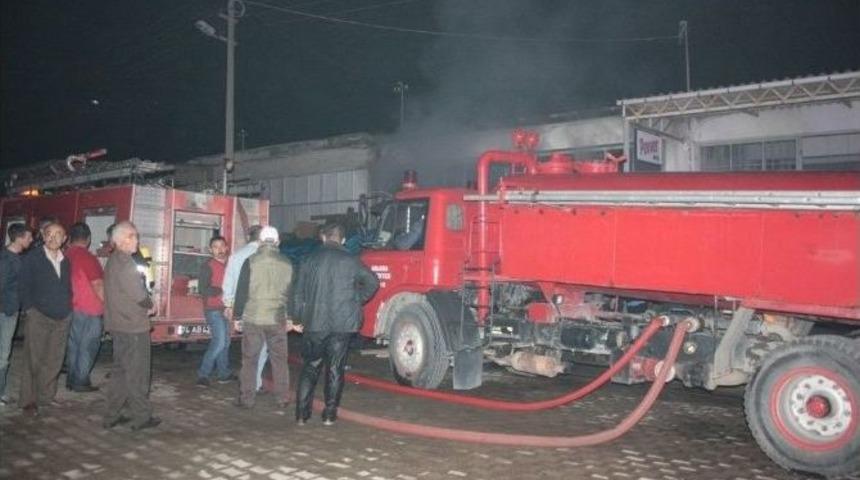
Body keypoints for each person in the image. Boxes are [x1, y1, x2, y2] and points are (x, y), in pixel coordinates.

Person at [293, 221, 379, 426]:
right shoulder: (351, 260)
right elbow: (373, 282)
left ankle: (302, 415)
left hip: (314, 322)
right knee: (335, 368)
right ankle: (329, 414)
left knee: (310, 367)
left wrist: (297, 319)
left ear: (323, 237)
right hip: (343, 323)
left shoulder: (308, 260)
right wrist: (357, 299)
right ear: (343, 240)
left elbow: (298, 293)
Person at [103, 221, 160, 431]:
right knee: (138, 373)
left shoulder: (113, 260)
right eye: (130, 236)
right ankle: (142, 417)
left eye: (136, 235)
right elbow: (138, 293)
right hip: (133, 326)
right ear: (118, 241)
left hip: (119, 324)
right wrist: (150, 304)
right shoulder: (126, 263)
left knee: (120, 372)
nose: (135, 240)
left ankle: (112, 414)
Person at [232, 226, 295, 409]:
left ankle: (247, 399)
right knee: (280, 360)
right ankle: (282, 397)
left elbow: (241, 291)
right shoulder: (287, 262)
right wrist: (290, 317)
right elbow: (292, 294)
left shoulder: (250, 261)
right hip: (277, 318)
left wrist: (237, 316)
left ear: (259, 242)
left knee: (250, 360)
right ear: (277, 242)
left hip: (253, 318)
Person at [18, 222, 72, 417]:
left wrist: (69, 309)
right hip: (39, 315)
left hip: (62, 317)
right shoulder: (33, 258)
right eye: (49, 234)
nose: (53, 237)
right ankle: (28, 400)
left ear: (65, 239)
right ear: (43, 235)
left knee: (54, 360)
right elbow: (23, 286)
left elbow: (66, 287)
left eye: (58, 234)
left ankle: (46, 396)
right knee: (34, 359)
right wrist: (30, 310)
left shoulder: (66, 261)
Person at [222, 225, 269, 392]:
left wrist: (229, 305)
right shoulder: (267, 257)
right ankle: (254, 384)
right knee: (262, 348)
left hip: (243, 308)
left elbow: (229, 282)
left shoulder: (236, 256)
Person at [64, 223, 105, 393]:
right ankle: (81, 380)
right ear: (88, 239)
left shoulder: (65, 255)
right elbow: (97, 284)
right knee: (88, 345)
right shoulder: (88, 258)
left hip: (72, 306)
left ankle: (71, 378)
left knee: (73, 344)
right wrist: (107, 306)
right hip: (90, 308)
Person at [0, 224, 34, 406]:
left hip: (9, 311)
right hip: (5, 313)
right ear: (19, 238)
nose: (31, 240)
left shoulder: (14, 257)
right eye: (28, 237)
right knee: (3, 353)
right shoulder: (7, 259)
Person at [196, 235, 234, 386]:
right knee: (219, 342)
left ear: (226, 247)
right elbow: (203, 289)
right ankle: (203, 374)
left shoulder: (230, 265)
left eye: (221, 246)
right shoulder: (207, 266)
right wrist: (222, 291)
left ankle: (223, 374)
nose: (219, 250)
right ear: (210, 250)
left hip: (227, 309)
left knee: (226, 342)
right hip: (213, 309)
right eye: (215, 247)